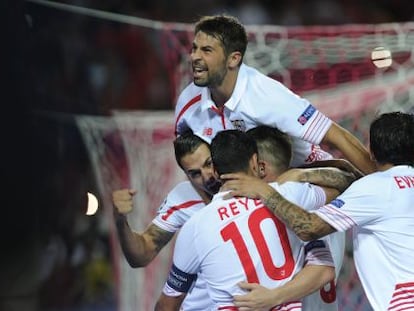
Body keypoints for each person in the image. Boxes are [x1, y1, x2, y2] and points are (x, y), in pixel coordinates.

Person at [220, 111, 414, 311]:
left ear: (371, 152)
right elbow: (350, 180)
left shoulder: (374, 188)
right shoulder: (373, 189)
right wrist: (302, 174)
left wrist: (265, 191)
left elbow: (309, 228)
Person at [154, 129, 354, 311]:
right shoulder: (292, 195)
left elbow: (166, 306)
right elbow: (344, 186)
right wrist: (295, 175)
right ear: (254, 162)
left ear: (215, 171)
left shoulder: (194, 228)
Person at [174, 14, 376, 174]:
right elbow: (190, 164)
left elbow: (337, 136)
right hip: (245, 188)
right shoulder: (187, 103)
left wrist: (382, 182)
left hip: (305, 178)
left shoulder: (267, 96)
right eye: (194, 49)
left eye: (206, 50)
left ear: (233, 59)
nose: (194, 57)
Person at [113, 131, 220, 310]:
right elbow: (141, 255)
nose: (207, 176)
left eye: (209, 163)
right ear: (186, 175)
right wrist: (120, 220)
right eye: (195, 173)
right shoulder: (181, 198)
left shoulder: (245, 183)